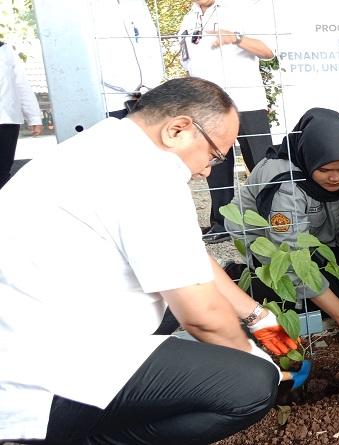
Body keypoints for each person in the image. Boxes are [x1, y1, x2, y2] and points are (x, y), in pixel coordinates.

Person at [0, 78, 299, 444]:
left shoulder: (107, 145)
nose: (207, 170)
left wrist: (259, 317)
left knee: (174, 309)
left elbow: (189, 257)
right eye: (213, 156)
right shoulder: (148, 176)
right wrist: (260, 359)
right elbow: (203, 317)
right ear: (178, 130)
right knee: (250, 385)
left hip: (29, 335)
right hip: (44, 380)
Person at [225, 108, 339, 343]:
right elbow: (290, 255)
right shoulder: (285, 182)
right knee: (305, 305)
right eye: (325, 170)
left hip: (320, 238)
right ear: (309, 160)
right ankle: (236, 278)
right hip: (271, 243)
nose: (336, 178)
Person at [179, 0, 276, 243]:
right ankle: (222, 224)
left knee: (262, 164)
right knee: (216, 166)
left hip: (247, 103)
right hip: (208, 106)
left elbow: (268, 51)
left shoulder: (241, 9)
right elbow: (188, 62)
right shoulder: (188, 19)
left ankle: (275, 218)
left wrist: (236, 38)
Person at [92, 0, 165, 118]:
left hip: (147, 97)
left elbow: (151, 43)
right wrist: (128, 87)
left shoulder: (137, 4)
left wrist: (151, 83)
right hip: (110, 101)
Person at [0, 41, 42, 189]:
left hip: (6, 121)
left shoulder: (5, 50)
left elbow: (21, 84)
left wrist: (34, 117)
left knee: (2, 172)